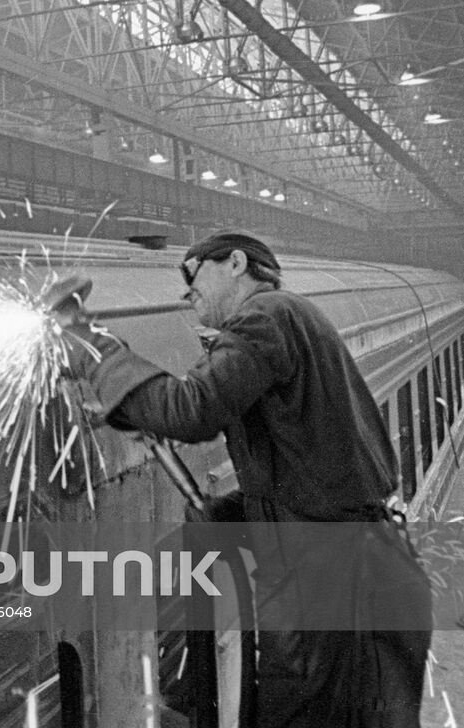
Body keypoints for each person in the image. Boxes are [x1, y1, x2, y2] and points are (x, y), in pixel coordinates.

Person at [53, 230, 431, 728]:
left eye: (192, 274)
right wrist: (136, 413)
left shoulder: (268, 316)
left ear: (235, 263)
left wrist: (88, 346)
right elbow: (293, 474)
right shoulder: (289, 322)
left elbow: (193, 409)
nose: (188, 293)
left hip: (337, 597)